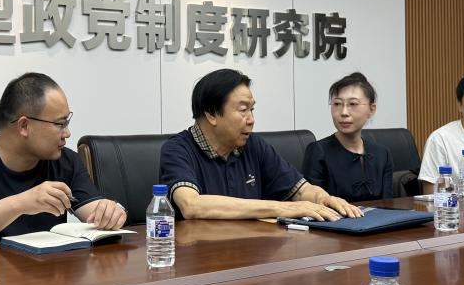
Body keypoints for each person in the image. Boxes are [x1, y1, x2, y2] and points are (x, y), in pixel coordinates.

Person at [0, 73, 126, 245]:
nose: (67, 133)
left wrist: (109, 213)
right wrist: (22, 203)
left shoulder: (66, 161)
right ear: (24, 126)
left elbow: (94, 213)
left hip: (51, 270)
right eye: (60, 124)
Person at [160, 69, 362, 220]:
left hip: (253, 251)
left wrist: (324, 199)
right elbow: (191, 205)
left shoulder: (253, 144)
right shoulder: (178, 149)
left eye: (252, 110)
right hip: (201, 256)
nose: (251, 120)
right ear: (211, 114)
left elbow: (301, 190)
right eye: (243, 110)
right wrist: (283, 208)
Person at [301, 72, 393, 201]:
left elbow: (388, 205)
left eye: (353, 104)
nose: (344, 112)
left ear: (371, 109)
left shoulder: (382, 154)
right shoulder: (318, 151)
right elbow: (313, 205)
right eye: (337, 104)